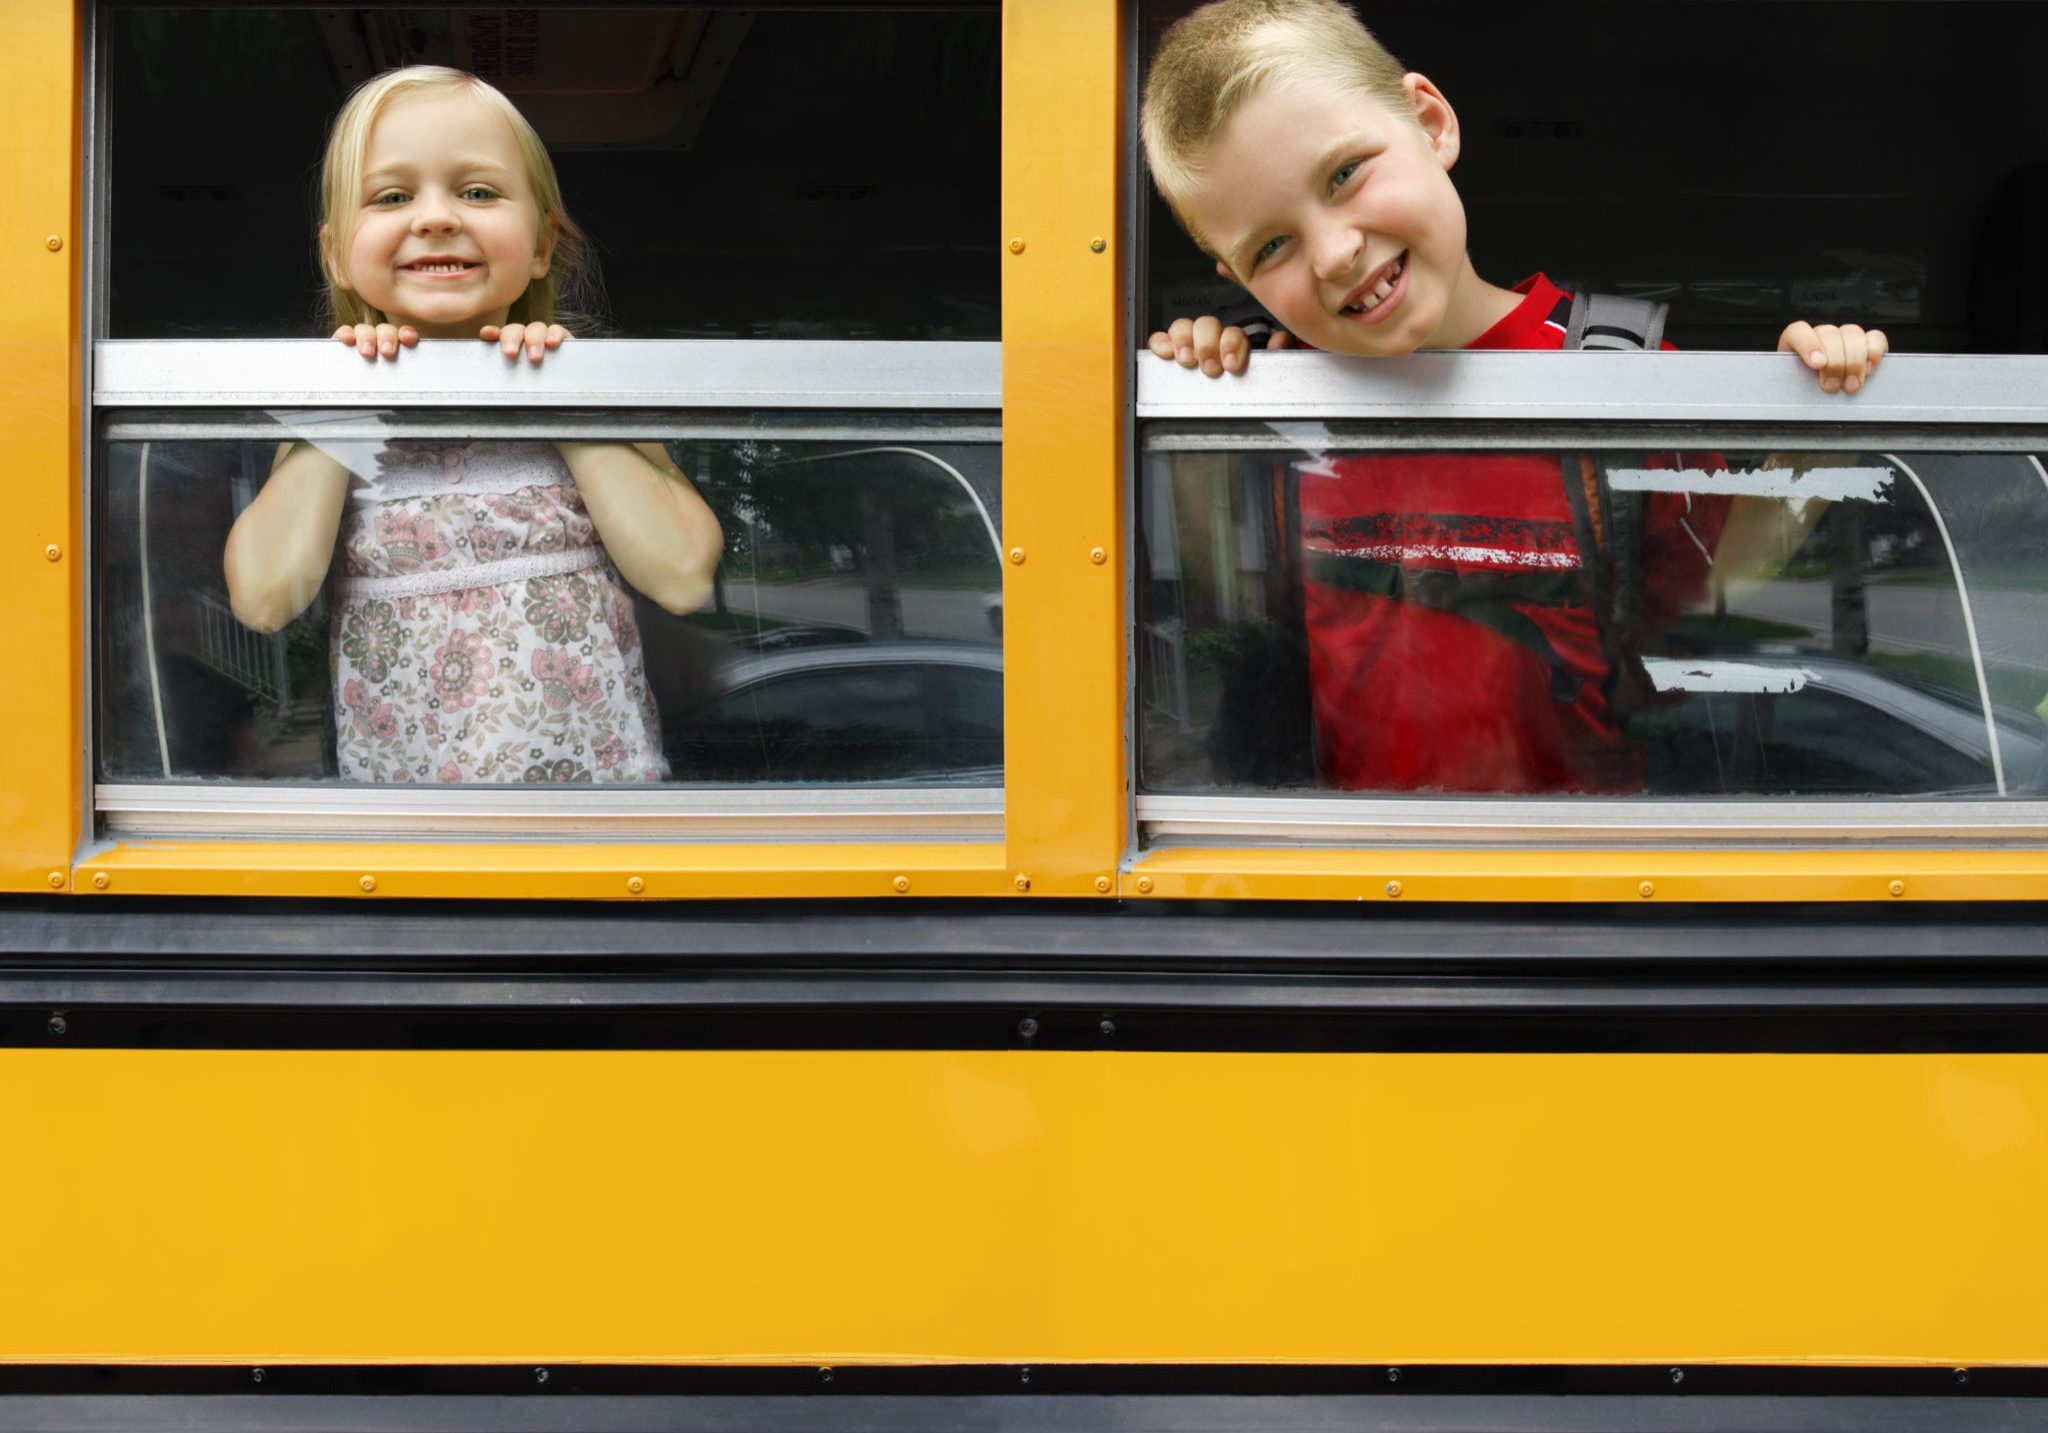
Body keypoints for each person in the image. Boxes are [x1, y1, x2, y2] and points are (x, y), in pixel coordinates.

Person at [1139, 0, 1887, 792]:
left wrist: (1815, 415)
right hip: (1357, 880)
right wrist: (1201, 394)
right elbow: (1225, 612)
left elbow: (1719, 586)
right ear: (1240, 281)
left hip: (1586, 875)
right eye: (1272, 246)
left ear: (1430, 123)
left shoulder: (1618, 377)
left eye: (1344, 174)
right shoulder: (1277, 413)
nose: (1334, 254)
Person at [223, 66, 723, 784]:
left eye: (478, 192)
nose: (436, 218)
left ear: (543, 243)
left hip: (596, 819)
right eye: (393, 196)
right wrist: (343, 402)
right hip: (414, 834)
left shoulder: (593, 392)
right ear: (336, 255)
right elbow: (266, 597)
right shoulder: (331, 412)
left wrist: (563, 397)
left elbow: (681, 575)